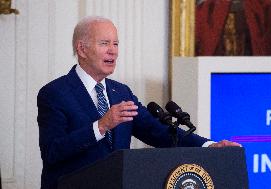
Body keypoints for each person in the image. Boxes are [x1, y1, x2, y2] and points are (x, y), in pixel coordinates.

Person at [37, 16, 240, 189]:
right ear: (82, 49)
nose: (113, 51)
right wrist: (101, 126)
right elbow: (52, 152)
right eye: (104, 43)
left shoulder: (121, 92)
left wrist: (209, 145)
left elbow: (159, 131)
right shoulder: (54, 93)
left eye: (116, 44)